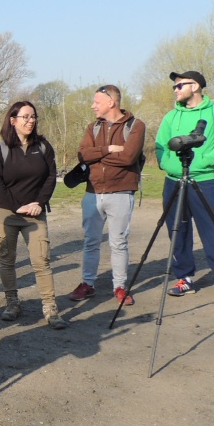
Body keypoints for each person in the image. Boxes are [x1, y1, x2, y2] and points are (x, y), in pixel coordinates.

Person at [156, 71, 214, 304]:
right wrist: (167, 164)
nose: (175, 90)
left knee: (213, 229)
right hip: (174, 181)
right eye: (174, 87)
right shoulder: (170, 117)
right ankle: (184, 278)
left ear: (195, 86)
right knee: (178, 231)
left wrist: (202, 161)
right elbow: (161, 147)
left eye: (179, 86)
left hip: (204, 181)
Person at [0, 101, 67, 329]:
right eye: (25, 117)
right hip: (6, 212)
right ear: (13, 120)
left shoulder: (43, 147)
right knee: (7, 259)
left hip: (35, 213)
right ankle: (12, 303)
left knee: (41, 260)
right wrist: (16, 207)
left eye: (33, 116)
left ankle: (50, 308)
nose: (30, 121)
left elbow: (51, 177)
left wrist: (39, 203)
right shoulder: (0, 149)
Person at [67, 85, 145, 306]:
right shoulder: (92, 127)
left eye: (97, 102)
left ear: (111, 102)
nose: (93, 105)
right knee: (91, 241)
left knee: (118, 242)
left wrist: (97, 156)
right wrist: (109, 149)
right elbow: (83, 154)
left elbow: (129, 157)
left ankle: (119, 287)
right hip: (92, 192)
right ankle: (87, 284)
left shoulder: (136, 126)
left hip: (121, 192)